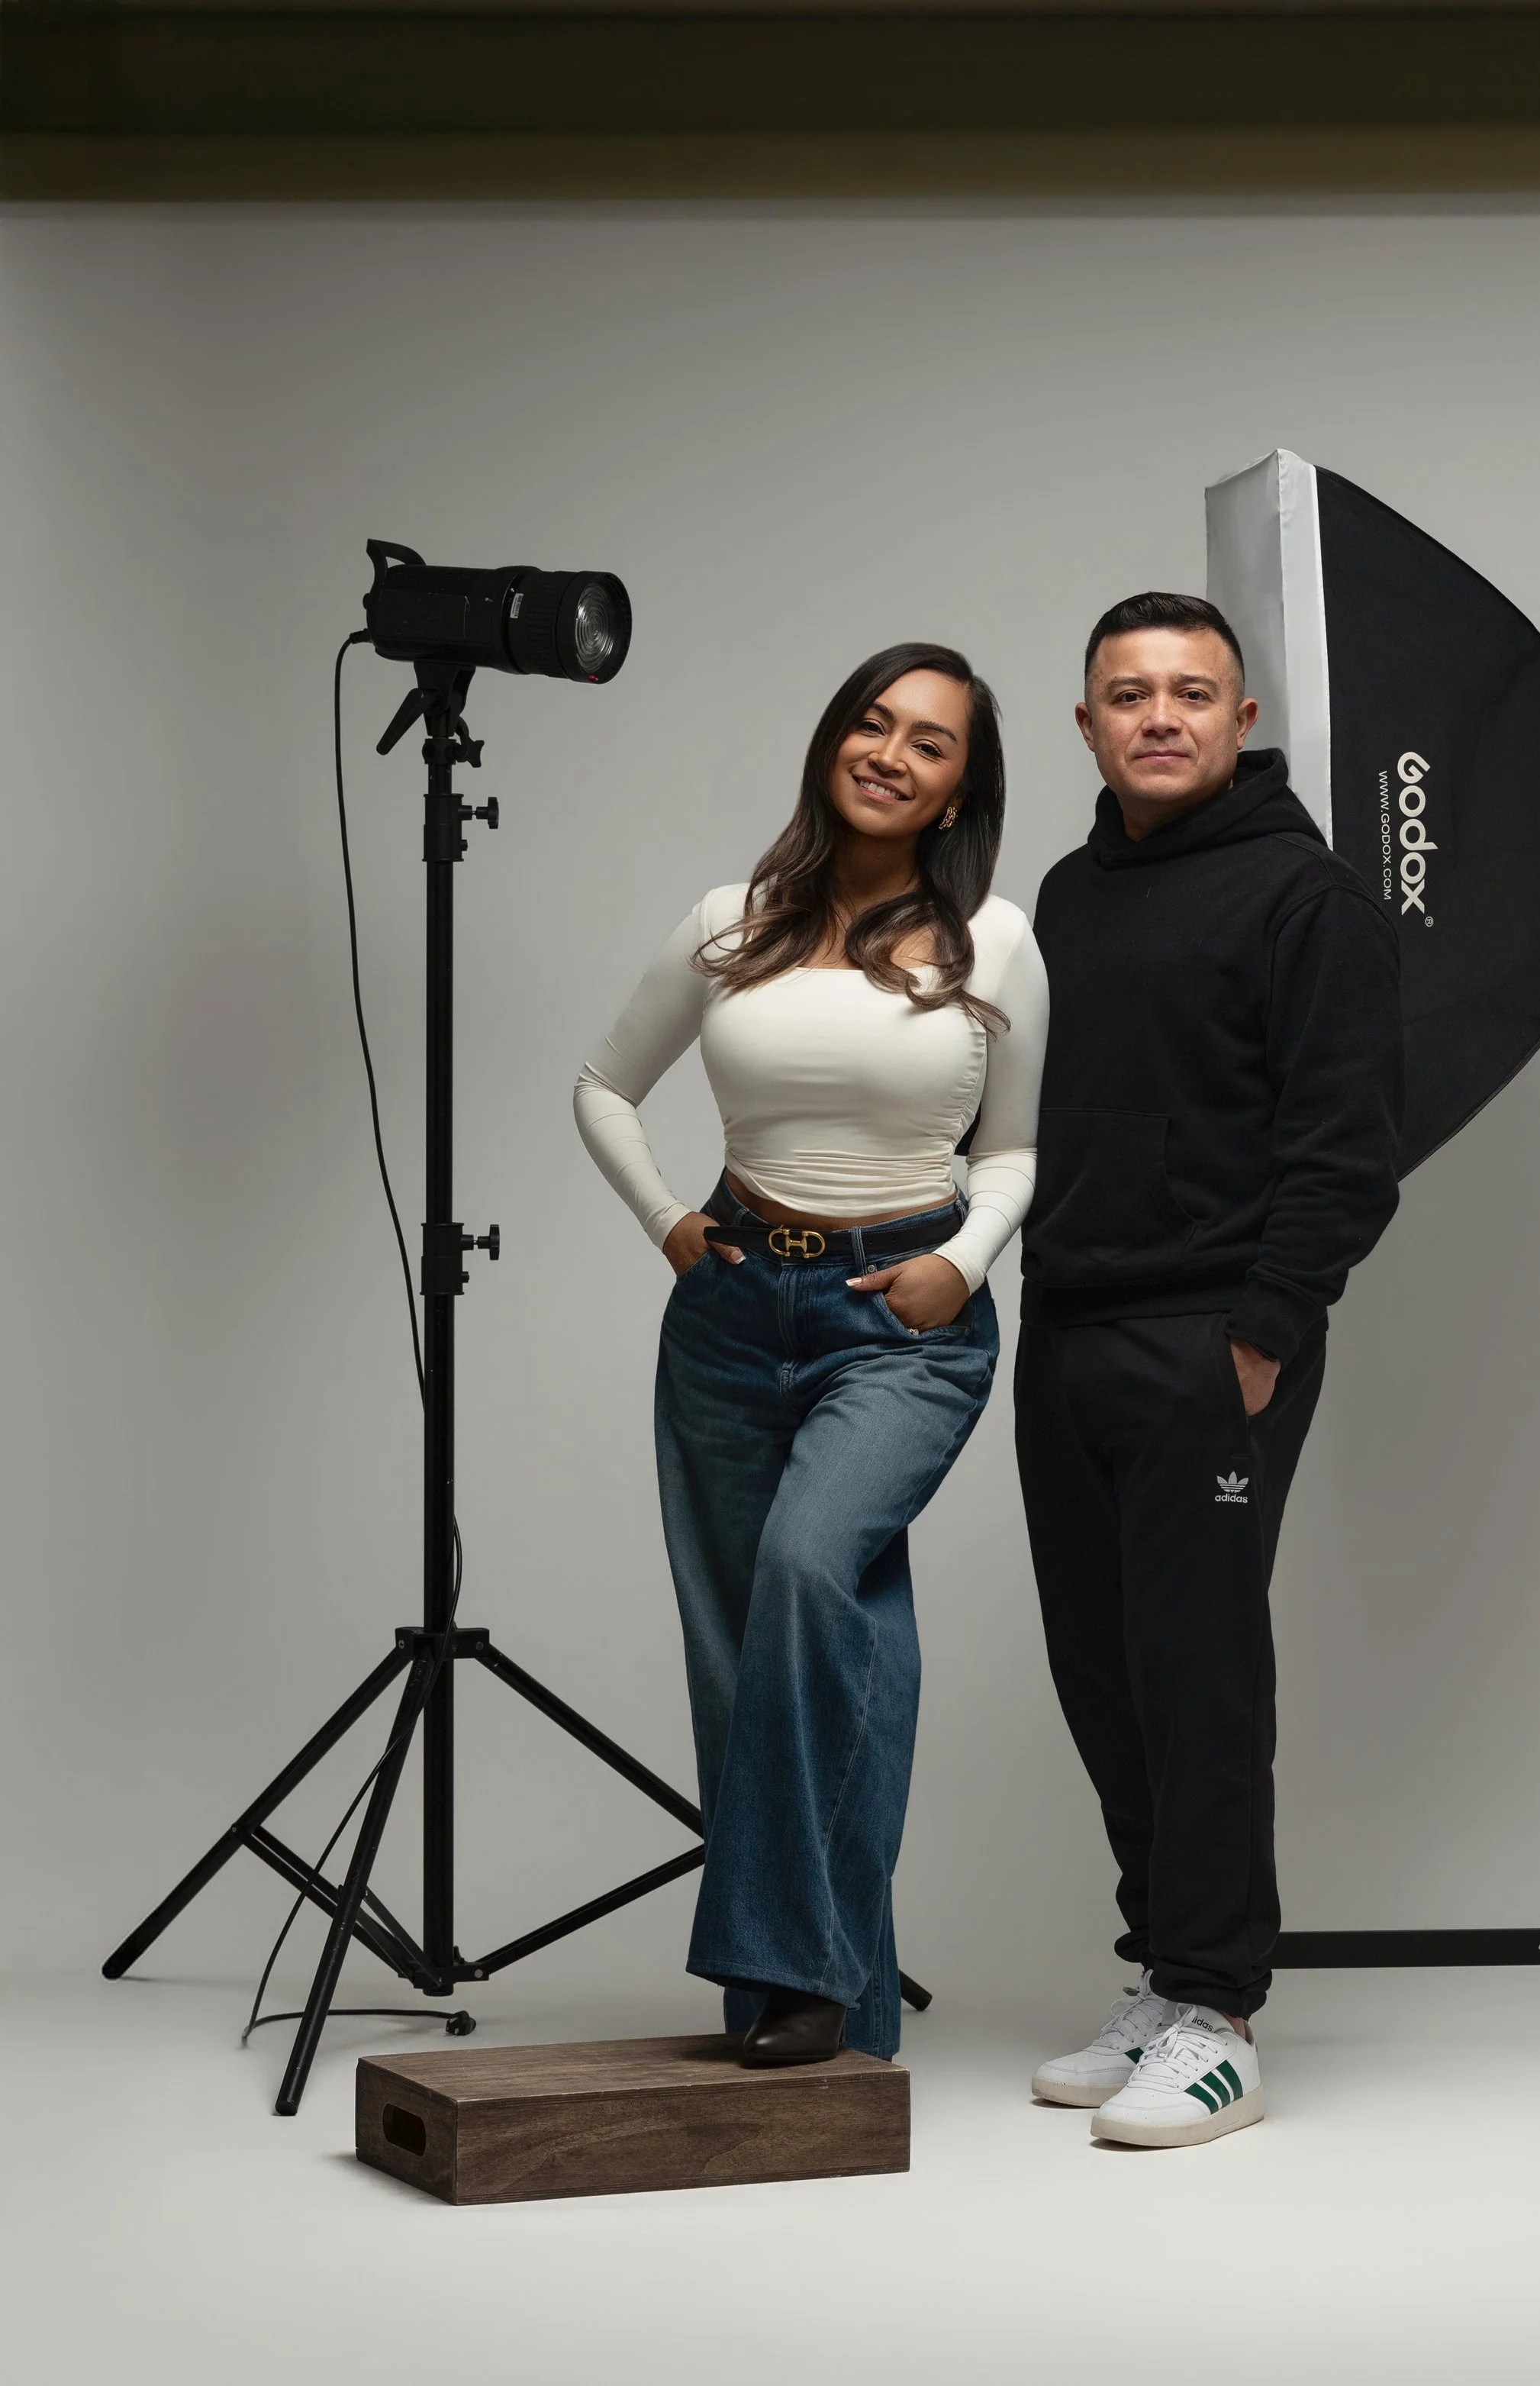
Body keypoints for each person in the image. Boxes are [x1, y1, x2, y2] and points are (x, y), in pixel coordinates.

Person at [575, 642, 1046, 2068]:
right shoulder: (729, 922)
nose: (892, 753)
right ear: (834, 737)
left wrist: (965, 1260)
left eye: (931, 742)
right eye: (873, 722)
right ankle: (828, 2017)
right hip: (731, 1310)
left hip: (899, 1321)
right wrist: (668, 1222)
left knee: (803, 1569)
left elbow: (1015, 1148)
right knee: (762, 1650)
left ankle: (791, 1977)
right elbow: (604, 1085)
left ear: (961, 788)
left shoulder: (998, 941)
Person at [1016, 592, 1403, 2147]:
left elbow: (1349, 1143)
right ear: (1087, 723)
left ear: (1242, 720)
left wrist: (1262, 1331)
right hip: (1065, 1327)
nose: (1160, 716)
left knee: (1196, 1672)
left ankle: (1220, 2011)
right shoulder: (1065, 894)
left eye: (1191, 693)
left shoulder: (1307, 898)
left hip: (1209, 1339)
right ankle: (1162, 1974)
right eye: (1129, 694)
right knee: (1102, 1672)